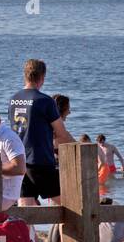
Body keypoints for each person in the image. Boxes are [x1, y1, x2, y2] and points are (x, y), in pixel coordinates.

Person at [10, 59, 76, 208]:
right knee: (71, 206)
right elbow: (61, 133)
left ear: (25, 75)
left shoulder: (14, 99)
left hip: (19, 159)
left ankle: (24, 232)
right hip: (41, 161)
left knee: (26, 211)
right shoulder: (45, 101)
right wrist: (78, 147)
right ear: (42, 77)